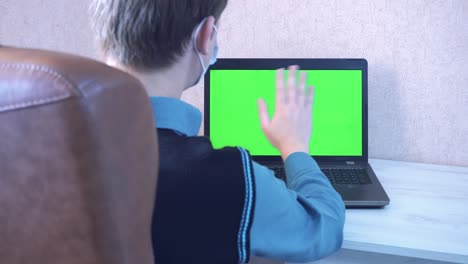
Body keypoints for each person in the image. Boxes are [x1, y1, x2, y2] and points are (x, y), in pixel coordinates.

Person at [90, 1, 345, 263]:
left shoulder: (50, 149)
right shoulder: (232, 177)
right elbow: (324, 227)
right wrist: (295, 146)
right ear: (205, 35)